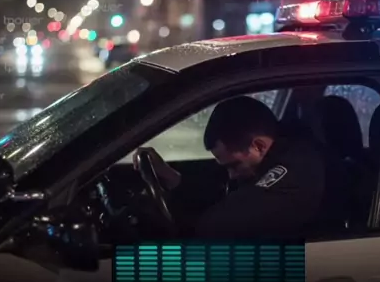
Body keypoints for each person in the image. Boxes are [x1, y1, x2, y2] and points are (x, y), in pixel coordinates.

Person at [133, 96, 343, 240]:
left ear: (258, 146)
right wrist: (171, 177)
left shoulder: (296, 171)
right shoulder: (273, 155)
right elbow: (220, 187)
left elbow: (218, 226)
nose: (231, 175)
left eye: (234, 165)